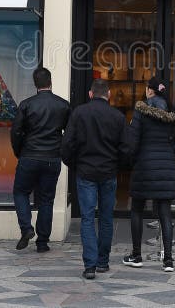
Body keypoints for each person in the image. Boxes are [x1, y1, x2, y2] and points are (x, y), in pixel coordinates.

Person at [61, 79, 127, 280]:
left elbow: (67, 145)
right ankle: (103, 261)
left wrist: (75, 165)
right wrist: (118, 167)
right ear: (109, 94)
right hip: (108, 172)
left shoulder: (79, 113)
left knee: (88, 219)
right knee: (106, 218)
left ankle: (90, 265)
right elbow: (126, 148)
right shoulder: (117, 116)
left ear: (90, 94)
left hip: (86, 172)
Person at [10, 67, 71, 252]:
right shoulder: (63, 105)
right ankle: (42, 242)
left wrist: (19, 151)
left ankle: (27, 228)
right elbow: (70, 134)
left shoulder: (26, 104)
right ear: (50, 82)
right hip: (52, 157)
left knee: (20, 192)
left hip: (29, 155)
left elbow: (16, 132)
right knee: (46, 200)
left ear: (35, 84)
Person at [123, 76, 175, 272]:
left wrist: (129, 160)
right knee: (165, 212)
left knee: (137, 209)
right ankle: (168, 260)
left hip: (144, 165)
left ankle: (136, 255)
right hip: (166, 166)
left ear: (149, 91)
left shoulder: (140, 110)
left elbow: (133, 140)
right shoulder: (171, 112)